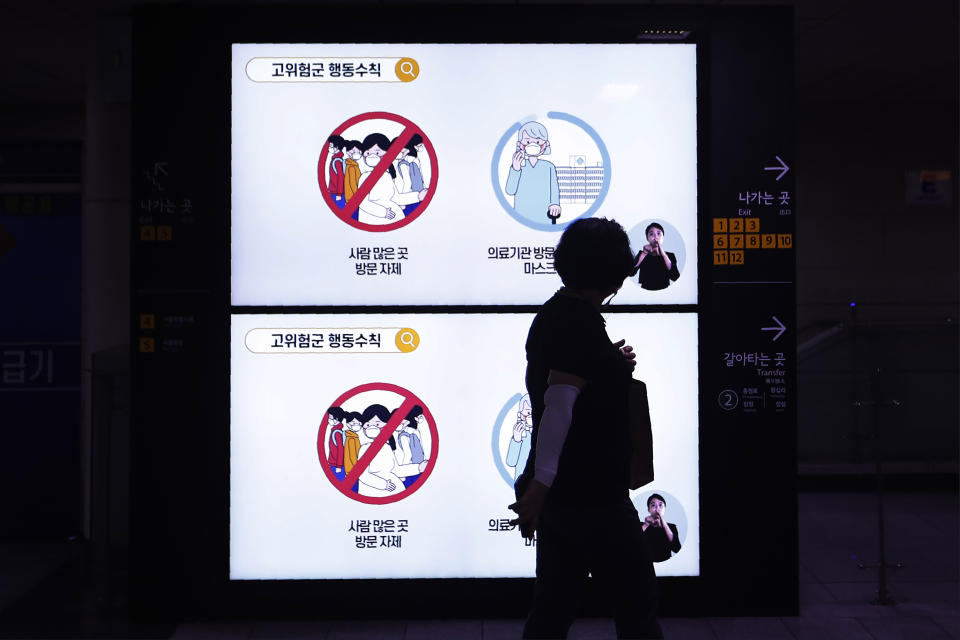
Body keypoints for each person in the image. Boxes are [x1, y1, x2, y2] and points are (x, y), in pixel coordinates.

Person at [508, 217, 663, 639]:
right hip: (592, 495)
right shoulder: (579, 323)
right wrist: (539, 486)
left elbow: (568, 383)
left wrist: (609, 364)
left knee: (554, 606)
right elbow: (560, 405)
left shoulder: (558, 314)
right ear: (614, 271)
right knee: (637, 602)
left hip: (564, 495)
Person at [356, 133, 427, 225]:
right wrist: (383, 213)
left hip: (393, 220)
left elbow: (395, 197)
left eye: (377, 152)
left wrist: (417, 196)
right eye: (368, 152)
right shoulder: (365, 177)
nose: (372, 156)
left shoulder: (386, 176)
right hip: (373, 220)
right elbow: (362, 203)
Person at [504, 121, 561, 225]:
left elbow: (554, 189)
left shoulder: (549, 166)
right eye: (528, 142)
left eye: (538, 142)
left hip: (545, 216)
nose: (533, 145)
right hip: (521, 215)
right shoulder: (518, 165)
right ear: (520, 144)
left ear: (546, 144)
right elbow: (510, 190)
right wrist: (515, 169)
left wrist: (555, 204)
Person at [356, 404, 405, 497]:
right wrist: (384, 485)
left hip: (393, 493)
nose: (372, 427)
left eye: (377, 424)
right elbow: (362, 474)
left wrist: (418, 468)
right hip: (372, 492)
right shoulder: (365, 448)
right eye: (368, 424)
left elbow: (396, 469)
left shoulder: (386, 447)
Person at [635, 222, 680, 291]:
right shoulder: (642, 254)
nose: (656, 237)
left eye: (659, 233)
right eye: (651, 234)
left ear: (663, 237)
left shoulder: (670, 256)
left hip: (665, 291)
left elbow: (675, 277)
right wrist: (644, 254)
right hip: (645, 291)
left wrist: (664, 255)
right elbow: (631, 273)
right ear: (647, 238)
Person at [641, 493, 682, 562]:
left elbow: (677, 549)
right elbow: (633, 544)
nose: (657, 508)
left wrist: (663, 523)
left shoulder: (671, 527)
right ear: (649, 509)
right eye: (653, 505)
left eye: (660, 505)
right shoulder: (642, 526)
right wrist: (646, 524)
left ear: (665, 508)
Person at [505, 394, 533, 482]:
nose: (530, 417)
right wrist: (516, 440)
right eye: (528, 413)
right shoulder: (521, 435)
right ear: (520, 415)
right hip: (521, 483)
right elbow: (511, 462)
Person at [325, 406, 347, 480]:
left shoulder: (337, 433)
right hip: (333, 464)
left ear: (336, 419)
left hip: (336, 466)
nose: (328, 420)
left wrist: (339, 466)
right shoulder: (335, 431)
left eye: (330, 418)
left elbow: (341, 450)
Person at [325, 135, 347, 206]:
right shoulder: (336, 159)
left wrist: (339, 194)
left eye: (331, 146)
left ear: (336, 147)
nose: (329, 148)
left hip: (336, 193)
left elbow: (341, 178)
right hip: (334, 192)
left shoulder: (337, 161)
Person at [343, 139, 363, 204]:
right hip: (353, 199)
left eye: (359, 152)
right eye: (354, 152)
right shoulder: (351, 166)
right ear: (348, 152)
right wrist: (358, 197)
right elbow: (353, 184)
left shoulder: (354, 165)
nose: (357, 154)